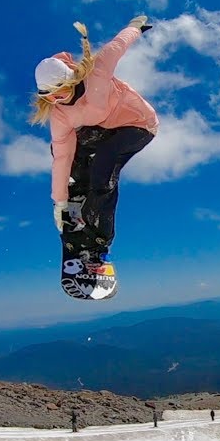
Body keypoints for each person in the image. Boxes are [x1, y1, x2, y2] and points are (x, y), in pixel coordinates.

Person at [32, 16, 159, 269]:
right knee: (67, 148)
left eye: (62, 91)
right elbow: (62, 156)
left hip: (139, 124)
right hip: (106, 128)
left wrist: (134, 27)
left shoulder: (96, 74)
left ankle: (99, 239)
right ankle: (79, 192)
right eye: (50, 96)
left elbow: (117, 45)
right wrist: (60, 201)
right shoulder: (59, 114)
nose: (58, 99)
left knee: (104, 166)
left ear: (71, 79)